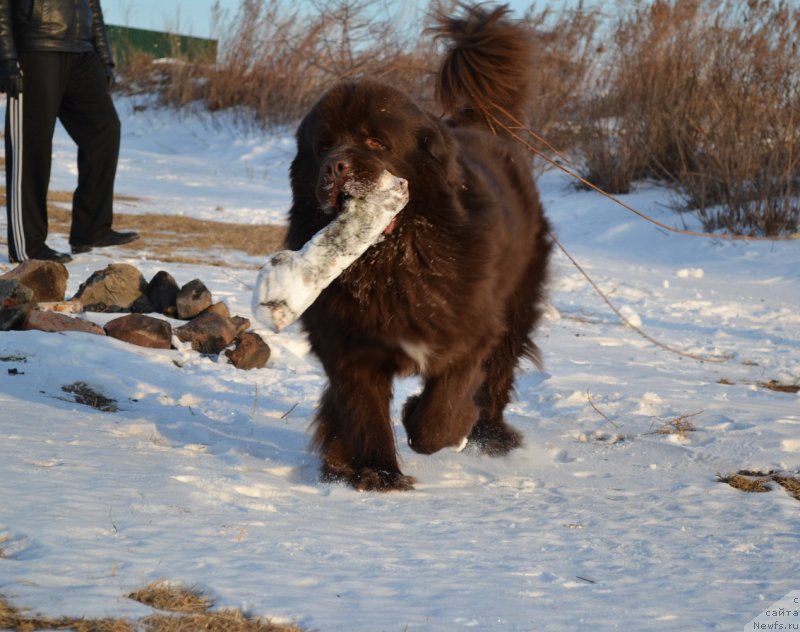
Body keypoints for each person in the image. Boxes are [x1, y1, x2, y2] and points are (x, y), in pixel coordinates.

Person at [0, 0, 139, 264]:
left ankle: (92, 229)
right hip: (36, 46)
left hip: (82, 51)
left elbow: (93, 6)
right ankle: (28, 245)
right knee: (32, 147)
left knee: (105, 129)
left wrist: (105, 58)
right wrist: (6, 57)